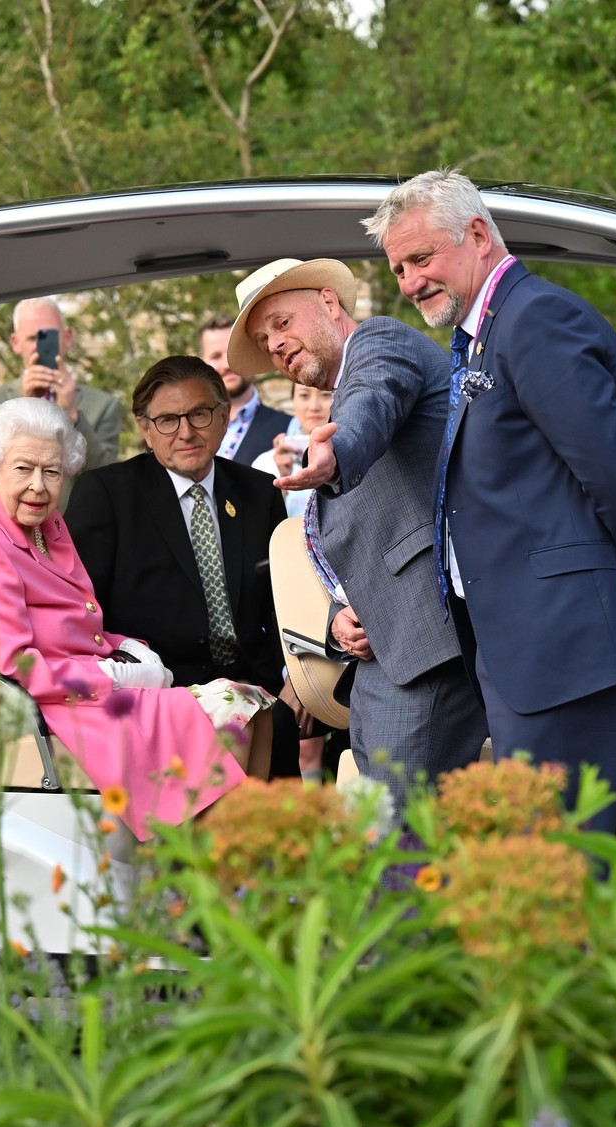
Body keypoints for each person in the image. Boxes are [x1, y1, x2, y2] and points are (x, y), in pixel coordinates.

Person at [358, 169, 616, 826]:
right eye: (399, 269)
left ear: (479, 235)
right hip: (522, 651)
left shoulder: (537, 318)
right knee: (544, 870)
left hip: (563, 645)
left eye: (421, 258)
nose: (408, 284)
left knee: (562, 868)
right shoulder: (486, 331)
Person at [0, 399, 264, 836]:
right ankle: (205, 871)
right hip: (40, 703)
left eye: (51, 471)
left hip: (74, 686)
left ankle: (232, 865)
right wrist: (114, 677)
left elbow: (74, 619)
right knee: (229, 706)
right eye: (23, 469)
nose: (38, 486)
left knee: (250, 703)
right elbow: (15, 665)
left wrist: (125, 648)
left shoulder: (41, 523)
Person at [235, 256, 489, 798]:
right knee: (386, 844)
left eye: (282, 323)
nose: (275, 345)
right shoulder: (343, 393)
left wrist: (333, 455)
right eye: (264, 340)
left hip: (429, 644)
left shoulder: (377, 344)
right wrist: (338, 620)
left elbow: (368, 410)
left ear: (329, 303)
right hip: (385, 656)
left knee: (400, 844)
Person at [66, 356, 300, 778]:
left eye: (199, 414)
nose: (187, 432)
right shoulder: (107, 494)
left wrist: (298, 679)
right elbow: (81, 614)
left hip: (256, 690)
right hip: (160, 695)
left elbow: (283, 602)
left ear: (224, 416)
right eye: (168, 420)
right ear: (145, 429)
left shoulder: (258, 492)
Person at [0, 297, 125, 474]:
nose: (40, 348)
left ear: (68, 338)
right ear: (16, 343)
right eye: (33, 338)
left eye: (49, 337)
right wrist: (23, 404)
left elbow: (109, 476)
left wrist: (72, 416)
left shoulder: (103, 406)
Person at [199, 314, 290, 464]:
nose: (227, 365)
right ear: (202, 363)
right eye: (216, 356)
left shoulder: (289, 427)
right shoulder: (187, 427)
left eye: (233, 353)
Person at [254, 380, 331, 519]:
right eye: (304, 395)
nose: (314, 406)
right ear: (293, 401)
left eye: (325, 395)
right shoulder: (265, 463)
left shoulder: (353, 457)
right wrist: (282, 485)